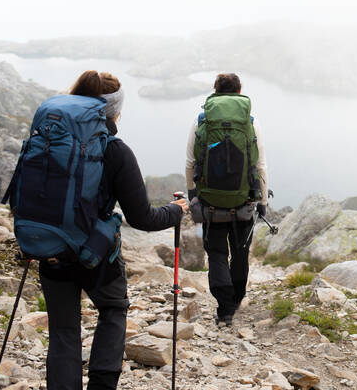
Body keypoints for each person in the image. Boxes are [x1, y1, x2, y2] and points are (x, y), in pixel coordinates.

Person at [37, 71, 188, 390]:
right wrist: (176, 211)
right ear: (113, 111)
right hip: (98, 255)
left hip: (51, 249)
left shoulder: (49, 139)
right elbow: (143, 218)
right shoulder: (116, 151)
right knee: (113, 308)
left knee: (63, 331)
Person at [185, 73, 269, 326]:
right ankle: (236, 299)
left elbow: (191, 162)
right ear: (239, 91)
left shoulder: (202, 121)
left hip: (210, 202)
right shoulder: (251, 123)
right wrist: (263, 202)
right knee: (241, 253)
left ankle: (224, 310)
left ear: (215, 92)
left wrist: (192, 195)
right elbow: (260, 166)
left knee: (217, 254)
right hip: (243, 202)